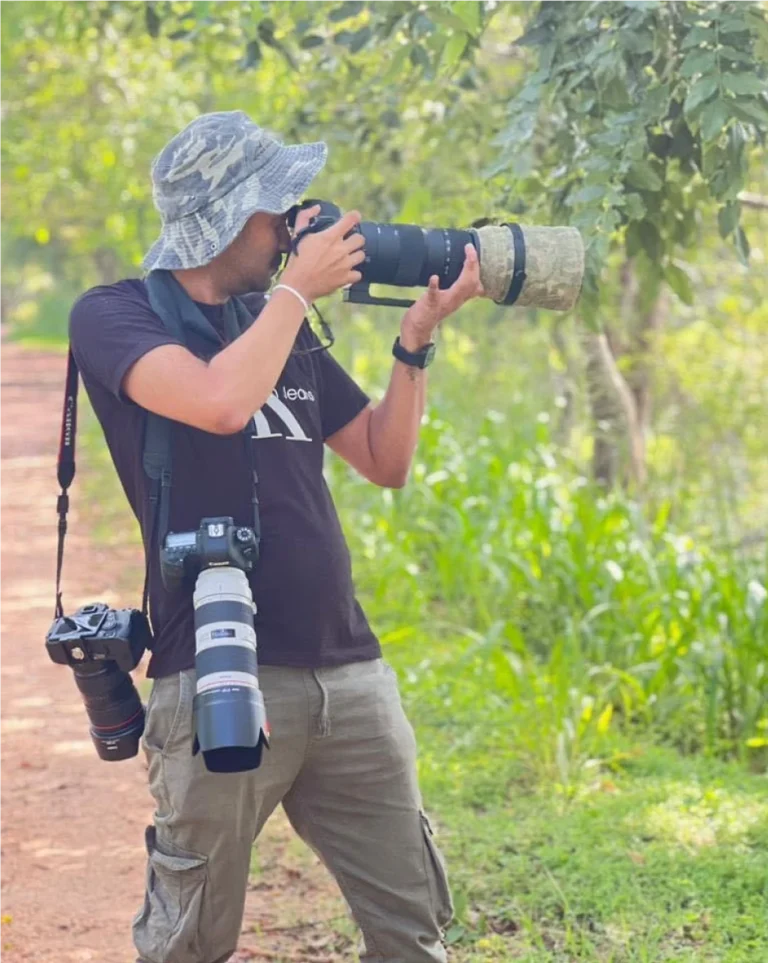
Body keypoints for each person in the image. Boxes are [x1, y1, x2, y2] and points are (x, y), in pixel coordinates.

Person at [69, 110, 486, 963]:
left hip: (348, 666)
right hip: (215, 670)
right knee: (190, 941)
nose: (294, 222)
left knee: (414, 929)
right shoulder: (114, 316)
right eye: (277, 207)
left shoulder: (278, 322)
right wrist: (297, 291)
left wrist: (415, 343)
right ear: (223, 216)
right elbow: (219, 401)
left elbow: (384, 457)